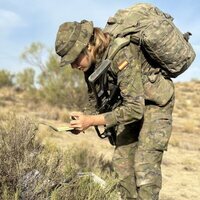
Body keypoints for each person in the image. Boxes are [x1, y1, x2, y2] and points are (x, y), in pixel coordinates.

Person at [55, 16, 175, 199]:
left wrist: (91, 121)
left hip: (155, 104)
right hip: (129, 106)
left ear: (88, 46)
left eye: (74, 59)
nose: (73, 66)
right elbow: (94, 100)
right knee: (122, 165)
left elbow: (135, 109)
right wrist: (83, 119)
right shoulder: (90, 65)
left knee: (144, 168)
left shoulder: (120, 53)